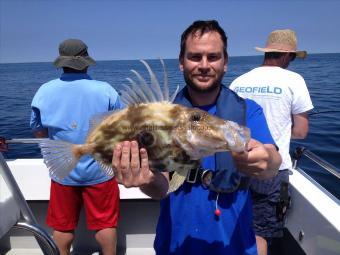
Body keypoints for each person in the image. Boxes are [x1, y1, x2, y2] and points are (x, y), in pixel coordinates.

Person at [111, 20, 282, 255]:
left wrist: (266, 162)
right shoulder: (161, 118)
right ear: (181, 62)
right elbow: (160, 188)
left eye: (213, 57)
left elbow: (272, 162)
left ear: (225, 63)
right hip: (176, 246)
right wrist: (145, 179)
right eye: (195, 56)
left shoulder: (247, 111)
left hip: (235, 247)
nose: (204, 65)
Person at [30, 39, 123, 255]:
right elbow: (120, 128)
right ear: (86, 62)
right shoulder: (105, 90)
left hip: (63, 170)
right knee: (105, 224)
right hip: (101, 170)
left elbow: (38, 129)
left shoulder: (44, 91)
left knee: (62, 227)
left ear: (61, 63)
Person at [229, 29, 314, 255]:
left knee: (234, 225)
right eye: (293, 57)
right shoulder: (294, 80)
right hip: (272, 169)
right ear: (287, 56)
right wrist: (281, 132)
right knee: (260, 234)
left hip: (236, 164)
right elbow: (302, 131)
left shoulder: (239, 81)